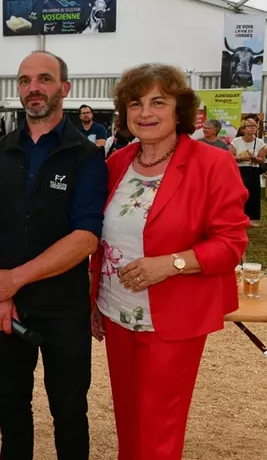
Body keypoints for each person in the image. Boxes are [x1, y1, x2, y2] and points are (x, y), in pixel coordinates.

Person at [91, 64, 249, 460]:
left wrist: (171, 264)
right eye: (135, 103)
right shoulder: (117, 163)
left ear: (180, 110)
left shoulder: (213, 164)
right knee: (128, 420)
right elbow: (99, 238)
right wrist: (93, 296)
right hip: (116, 311)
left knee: (160, 429)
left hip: (172, 319)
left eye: (158, 102)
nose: (145, 112)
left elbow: (232, 243)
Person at [0, 50, 108, 460]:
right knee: (11, 412)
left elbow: (85, 238)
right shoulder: (0, 151)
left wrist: (11, 281)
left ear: (64, 88)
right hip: (5, 309)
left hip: (63, 309)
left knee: (69, 414)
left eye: (45, 79)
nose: (34, 88)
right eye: (25, 80)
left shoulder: (85, 155)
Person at [229, 116, 264, 227]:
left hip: (253, 170)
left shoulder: (260, 142)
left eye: (254, 126)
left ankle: (251, 219)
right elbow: (230, 157)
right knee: (237, 194)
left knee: (252, 194)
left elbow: (261, 160)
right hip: (239, 170)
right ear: (243, 129)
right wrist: (241, 158)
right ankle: (236, 217)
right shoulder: (236, 141)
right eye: (249, 126)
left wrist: (253, 157)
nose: (253, 128)